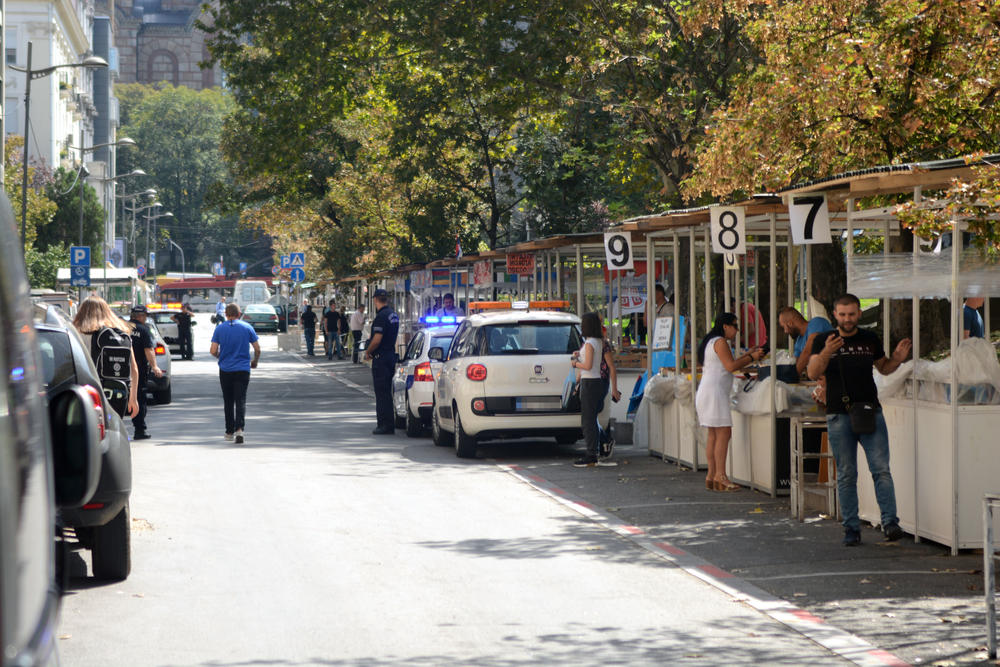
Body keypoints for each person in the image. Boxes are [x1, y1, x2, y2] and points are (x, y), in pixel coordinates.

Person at [807, 293, 912, 546]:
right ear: (835, 315)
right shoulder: (823, 339)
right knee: (846, 473)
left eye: (852, 314)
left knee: (881, 469)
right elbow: (812, 372)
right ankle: (851, 528)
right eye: (842, 315)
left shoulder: (869, 338)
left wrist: (897, 358)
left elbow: (883, 367)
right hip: (838, 413)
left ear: (859, 314)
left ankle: (890, 522)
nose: (847, 319)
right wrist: (826, 353)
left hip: (869, 410)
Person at [695, 312, 765, 491]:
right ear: (725, 326)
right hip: (715, 392)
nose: (737, 331)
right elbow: (731, 366)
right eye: (735, 326)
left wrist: (747, 355)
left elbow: (728, 363)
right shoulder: (720, 342)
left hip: (707, 390)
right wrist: (752, 357)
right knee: (724, 433)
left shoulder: (710, 342)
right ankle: (721, 475)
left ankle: (712, 475)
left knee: (713, 434)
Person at [73, 296, 140, 421]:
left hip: (88, 391)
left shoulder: (78, 332)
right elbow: (134, 369)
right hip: (117, 391)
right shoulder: (121, 332)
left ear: (82, 312)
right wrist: (133, 398)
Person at [571, 312, 617, 467]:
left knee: (588, 421)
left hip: (590, 382)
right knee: (591, 419)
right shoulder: (598, 341)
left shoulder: (590, 343)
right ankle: (594, 452)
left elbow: (588, 366)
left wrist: (575, 363)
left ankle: (591, 454)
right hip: (596, 381)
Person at [210, 303, 261, 444]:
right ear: (239, 314)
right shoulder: (247, 327)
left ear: (226, 314)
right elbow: (257, 349)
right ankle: (240, 429)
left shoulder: (220, 329)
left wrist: (221, 356)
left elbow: (213, 350)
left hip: (226, 369)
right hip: (243, 369)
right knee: (240, 400)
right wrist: (254, 361)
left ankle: (229, 431)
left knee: (228, 400)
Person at [365, 289, 399, 434]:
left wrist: (368, 351)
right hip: (390, 355)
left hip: (381, 358)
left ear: (375, 300)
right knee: (387, 392)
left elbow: (377, 339)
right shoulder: (393, 315)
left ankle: (384, 424)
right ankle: (390, 423)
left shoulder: (381, 317)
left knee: (382, 392)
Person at [128, 305, 165, 440]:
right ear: (142, 316)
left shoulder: (122, 327)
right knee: (139, 398)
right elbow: (148, 350)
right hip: (138, 371)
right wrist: (155, 366)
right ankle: (139, 429)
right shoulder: (144, 330)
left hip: (119, 370)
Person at [778, 306, 833, 375]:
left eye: (784, 327)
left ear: (790, 323)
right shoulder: (799, 341)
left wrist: (793, 376)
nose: (785, 331)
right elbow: (796, 364)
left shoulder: (816, 323)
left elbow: (808, 351)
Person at [597, 332, 622, 460]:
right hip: (590, 382)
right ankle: (604, 442)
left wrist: (614, 389)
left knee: (594, 415)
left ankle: (606, 441)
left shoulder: (602, 344)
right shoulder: (588, 342)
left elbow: (611, 366)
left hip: (600, 382)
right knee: (593, 416)